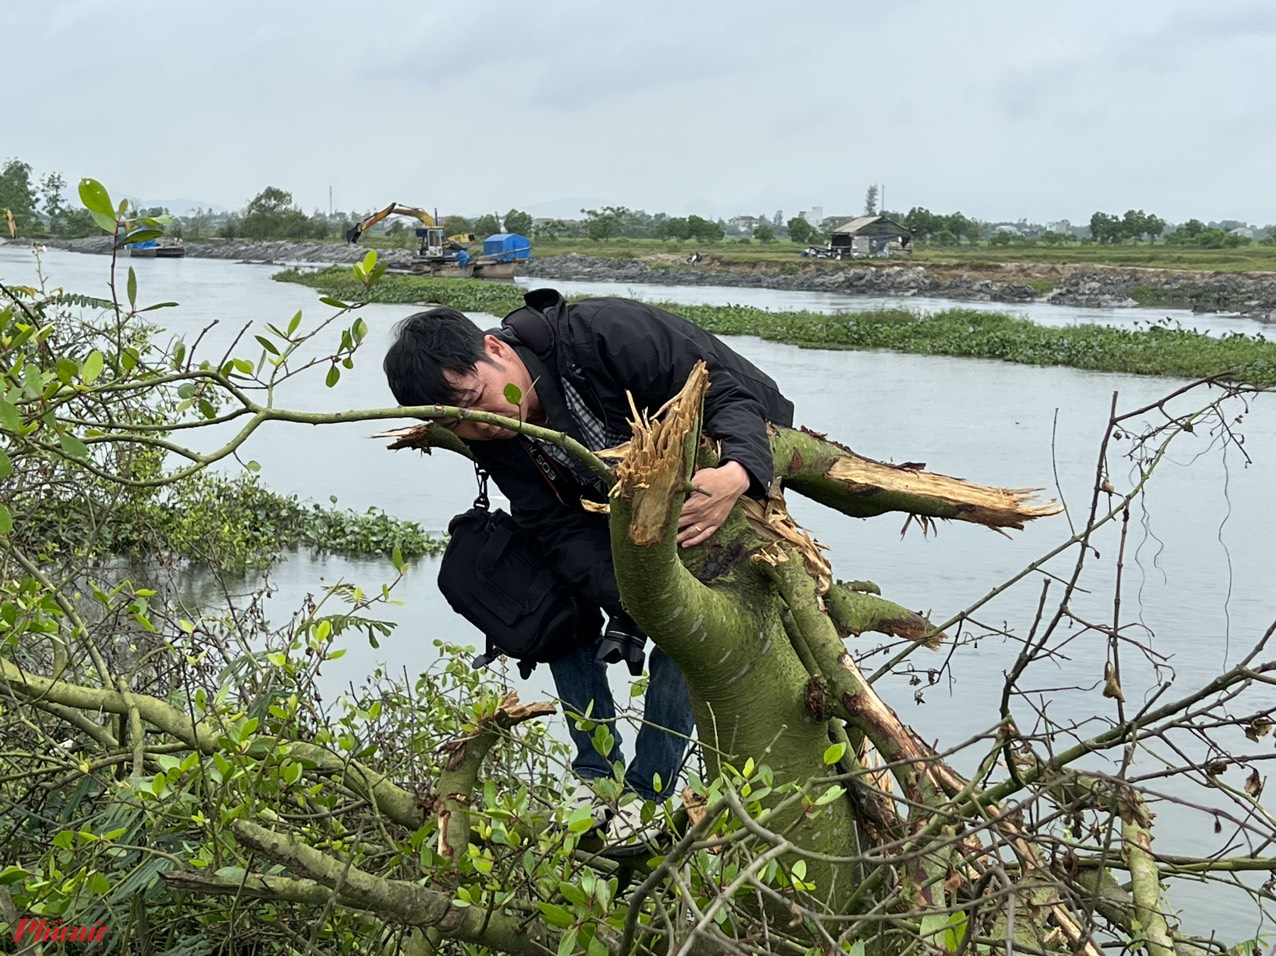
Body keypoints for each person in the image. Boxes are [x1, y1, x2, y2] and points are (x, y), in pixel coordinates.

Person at [383, 288, 794, 842]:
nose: (485, 426)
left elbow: (729, 388)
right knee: (546, 604)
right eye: (463, 424)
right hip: (617, 506)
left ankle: (648, 793)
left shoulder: (603, 333)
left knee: (691, 616)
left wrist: (740, 472)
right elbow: (550, 523)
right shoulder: (494, 431)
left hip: (724, 465)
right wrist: (630, 597)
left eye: (481, 401)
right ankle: (597, 775)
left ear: (493, 349)